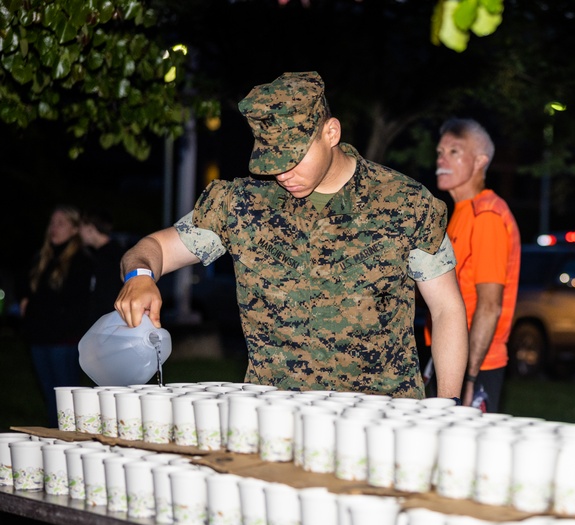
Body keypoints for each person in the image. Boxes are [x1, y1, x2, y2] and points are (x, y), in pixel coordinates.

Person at [115, 72, 467, 399]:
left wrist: (447, 409)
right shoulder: (241, 206)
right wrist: (139, 277)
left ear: (331, 133)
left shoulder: (404, 203)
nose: (282, 172)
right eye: (271, 160)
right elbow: (151, 249)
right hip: (277, 421)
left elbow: (447, 309)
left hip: (381, 420)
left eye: (294, 157)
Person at [433, 118, 521, 410]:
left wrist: (468, 378)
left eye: (454, 152)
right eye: (440, 152)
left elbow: (489, 305)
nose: (442, 159)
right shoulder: (459, 212)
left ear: (480, 161)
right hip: (449, 356)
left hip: (476, 363)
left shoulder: (487, 217)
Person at [21, 205, 94, 426]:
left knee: (66, 399)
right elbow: (28, 288)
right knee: (50, 396)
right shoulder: (42, 257)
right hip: (39, 337)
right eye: (52, 223)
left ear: (74, 229)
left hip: (64, 339)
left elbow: (75, 301)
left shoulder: (81, 259)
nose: (54, 228)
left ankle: (69, 442)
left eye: (61, 223)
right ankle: (56, 440)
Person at [79, 208, 127, 322]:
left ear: (90, 228)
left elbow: (106, 297)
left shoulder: (110, 257)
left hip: (108, 325)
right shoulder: (104, 254)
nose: (78, 231)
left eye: (81, 226)